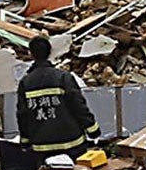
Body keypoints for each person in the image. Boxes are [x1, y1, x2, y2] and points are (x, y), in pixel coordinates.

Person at [16, 35, 101, 163]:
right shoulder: (63, 77)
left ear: (31, 54)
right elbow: (78, 105)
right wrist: (92, 130)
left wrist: (25, 141)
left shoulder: (25, 83)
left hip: (42, 148)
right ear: (50, 52)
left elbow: (22, 113)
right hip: (71, 144)